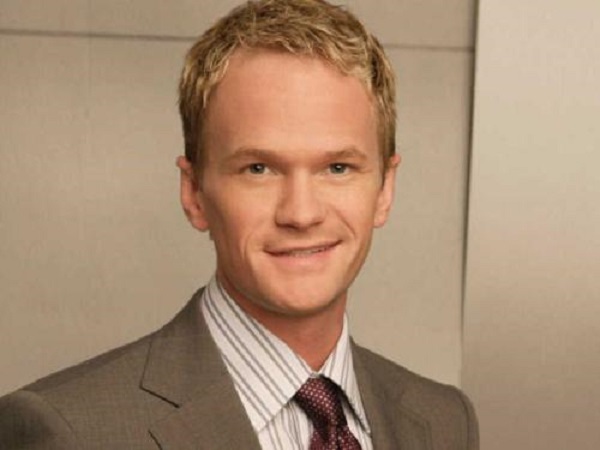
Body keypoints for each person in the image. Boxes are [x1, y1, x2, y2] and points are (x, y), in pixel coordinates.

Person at [0, 0, 478, 448]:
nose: (301, 213)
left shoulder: (443, 422)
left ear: (385, 189)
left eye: (337, 168)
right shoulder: (68, 431)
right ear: (194, 193)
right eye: (258, 169)